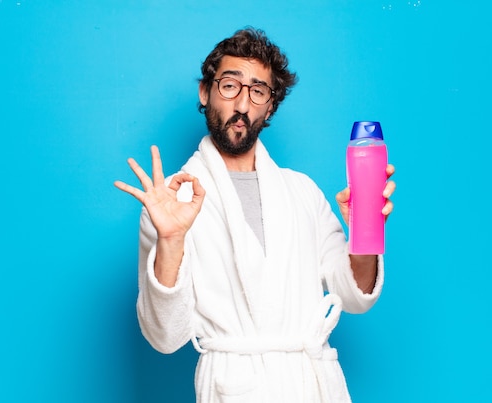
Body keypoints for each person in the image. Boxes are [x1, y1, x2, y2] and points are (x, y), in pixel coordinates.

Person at [114, 27, 396, 403]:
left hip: (312, 386)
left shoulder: (302, 192)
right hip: (235, 389)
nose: (243, 106)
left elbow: (355, 295)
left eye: (258, 91)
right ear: (205, 91)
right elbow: (165, 337)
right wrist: (170, 240)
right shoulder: (171, 203)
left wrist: (365, 229)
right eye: (230, 85)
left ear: (270, 106)